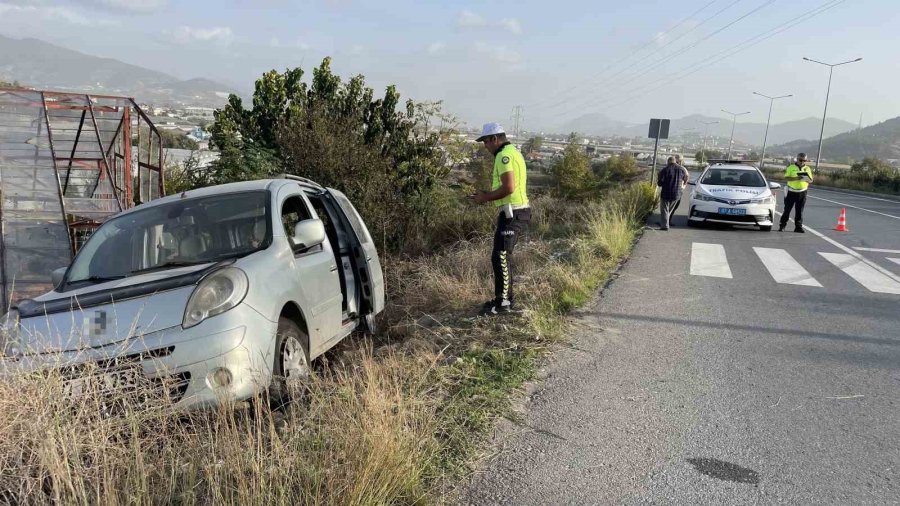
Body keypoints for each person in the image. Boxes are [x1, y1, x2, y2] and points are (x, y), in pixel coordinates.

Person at [472, 122, 531, 316]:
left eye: (486, 142)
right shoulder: (511, 152)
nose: (485, 146)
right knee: (500, 255)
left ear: (494, 139)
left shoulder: (504, 156)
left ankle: (504, 303)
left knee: (501, 256)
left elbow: (509, 188)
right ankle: (501, 299)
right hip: (511, 212)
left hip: (514, 212)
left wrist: (484, 197)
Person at [779, 152, 814, 233]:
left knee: (799, 211)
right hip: (791, 191)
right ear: (797, 159)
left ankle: (798, 227)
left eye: (804, 160)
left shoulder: (807, 169)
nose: (802, 162)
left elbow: (811, 180)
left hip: (802, 192)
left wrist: (807, 179)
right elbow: (786, 178)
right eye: (801, 160)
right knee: (787, 210)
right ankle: (782, 225)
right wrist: (797, 178)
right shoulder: (791, 167)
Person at [657, 156, 689, 230]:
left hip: (666, 193)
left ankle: (665, 226)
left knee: (665, 210)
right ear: (675, 161)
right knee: (669, 210)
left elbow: (660, 183)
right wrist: (683, 185)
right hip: (677, 194)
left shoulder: (665, 170)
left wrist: (659, 177)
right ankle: (665, 223)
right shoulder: (682, 169)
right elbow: (686, 177)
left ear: (668, 162)